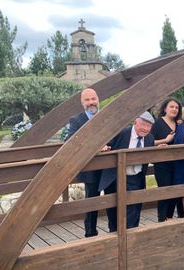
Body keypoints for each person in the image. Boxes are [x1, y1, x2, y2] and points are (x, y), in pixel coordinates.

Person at [98, 111, 155, 231]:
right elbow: (105, 142)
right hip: (116, 178)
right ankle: (114, 237)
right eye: (143, 124)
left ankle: (131, 239)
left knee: (134, 211)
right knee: (114, 213)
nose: (145, 129)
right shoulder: (122, 133)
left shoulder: (150, 138)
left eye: (149, 126)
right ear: (135, 122)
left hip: (136, 178)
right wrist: (104, 146)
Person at [66, 88, 109, 238]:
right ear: (82, 102)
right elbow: (69, 143)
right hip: (91, 169)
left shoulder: (108, 115)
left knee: (113, 199)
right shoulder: (77, 121)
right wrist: (95, 147)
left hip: (110, 167)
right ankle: (90, 233)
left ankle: (115, 230)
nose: (91, 102)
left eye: (93, 99)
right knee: (92, 202)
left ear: (98, 99)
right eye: (87, 100)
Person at [151, 98, 182, 222]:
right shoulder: (157, 123)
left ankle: (169, 217)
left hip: (177, 163)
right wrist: (165, 141)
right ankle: (161, 219)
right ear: (165, 109)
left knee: (174, 191)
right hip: (162, 164)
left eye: (176, 107)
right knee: (165, 190)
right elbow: (150, 141)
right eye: (172, 107)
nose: (174, 109)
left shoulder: (179, 124)